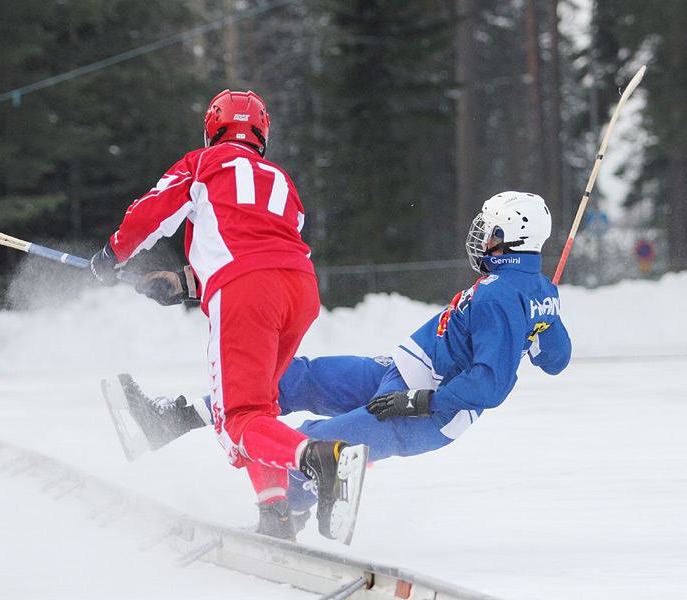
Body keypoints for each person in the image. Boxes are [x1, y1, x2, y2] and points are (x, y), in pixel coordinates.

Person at [105, 190, 573, 536]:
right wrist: (540, 315)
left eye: (487, 230)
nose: (478, 237)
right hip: (397, 374)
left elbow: (490, 385)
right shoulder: (526, 292)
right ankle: (171, 419)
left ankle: (283, 515)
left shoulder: (499, 295)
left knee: (311, 444)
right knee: (290, 377)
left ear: (510, 238)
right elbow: (557, 358)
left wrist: (420, 400)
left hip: (421, 411)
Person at [89, 90, 368, 545]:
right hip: (299, 288)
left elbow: (150, 213)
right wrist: (183, 283)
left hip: (247, 290)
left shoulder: (202, 163)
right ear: (261, 134)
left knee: (239, 418)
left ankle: (321, 459)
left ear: (212, 128)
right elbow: (257, 243)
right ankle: (275, 513)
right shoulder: (280, 178)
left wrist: (112, 255)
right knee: (260, 409)